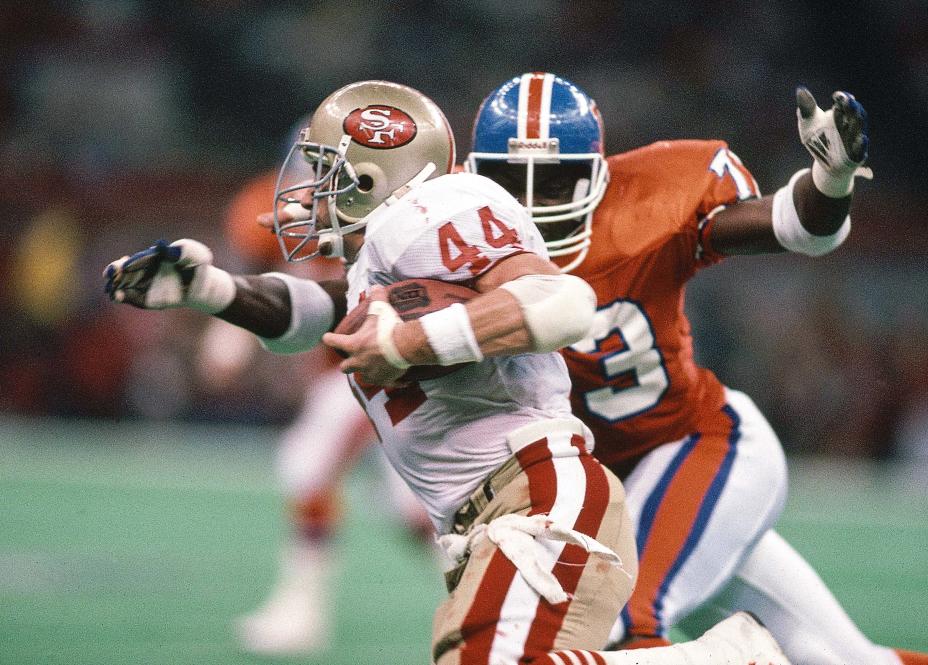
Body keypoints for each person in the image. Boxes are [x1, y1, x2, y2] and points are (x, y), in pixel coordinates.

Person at [104, 79, 794, 665]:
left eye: (329, 171)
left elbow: (560, 300)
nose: (311, 188)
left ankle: (716, 657)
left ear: (378, 178)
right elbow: (319, 314)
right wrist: (212, 290)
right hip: (494, 511)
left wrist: (406, 342)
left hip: (536, 493)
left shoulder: (432, 213)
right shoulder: (393, 242)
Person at [466, 71, 928, 665]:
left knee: (620, 621)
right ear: (474, 177)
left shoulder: (649, 200)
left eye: (556, 179)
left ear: (598, 172)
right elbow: (355, 303)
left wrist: (830, 182)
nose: (530, 203)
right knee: (839, 659)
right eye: (508, 179)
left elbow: (796, 227)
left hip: (698, 449)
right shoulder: (451, 245)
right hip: (613, 492)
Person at [202, 118, 432, 655]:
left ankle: (302, 610)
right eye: (310, 168)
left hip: (390, 365)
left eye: (330, 170)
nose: (314, 184)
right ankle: (492, 592)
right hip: (342, 369)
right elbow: (255, 272)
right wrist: (229, 326)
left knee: (309, 465)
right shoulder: (268, 206)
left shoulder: (402, 214)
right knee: (410, 508)